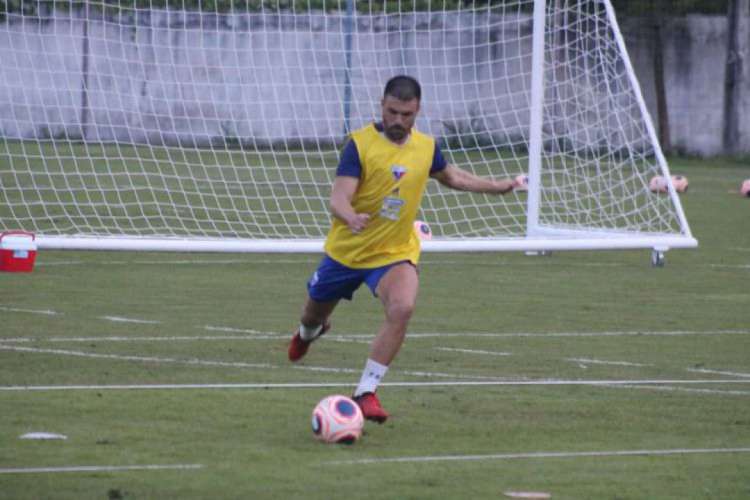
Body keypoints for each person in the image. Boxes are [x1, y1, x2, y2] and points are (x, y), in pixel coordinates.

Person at [288, 75, 518, 423]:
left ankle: (366, 392)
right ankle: (309, 333)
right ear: (382, 105)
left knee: (403, 307)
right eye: (393, 112)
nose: (398, 121)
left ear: (417, 111)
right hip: (346, 253)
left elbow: (452, 176)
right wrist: (350, 217)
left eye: (406, 114)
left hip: (394, 253)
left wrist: (498, 187)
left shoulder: (426, 147)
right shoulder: (360, 145)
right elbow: (338, 196)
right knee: (312, 316)